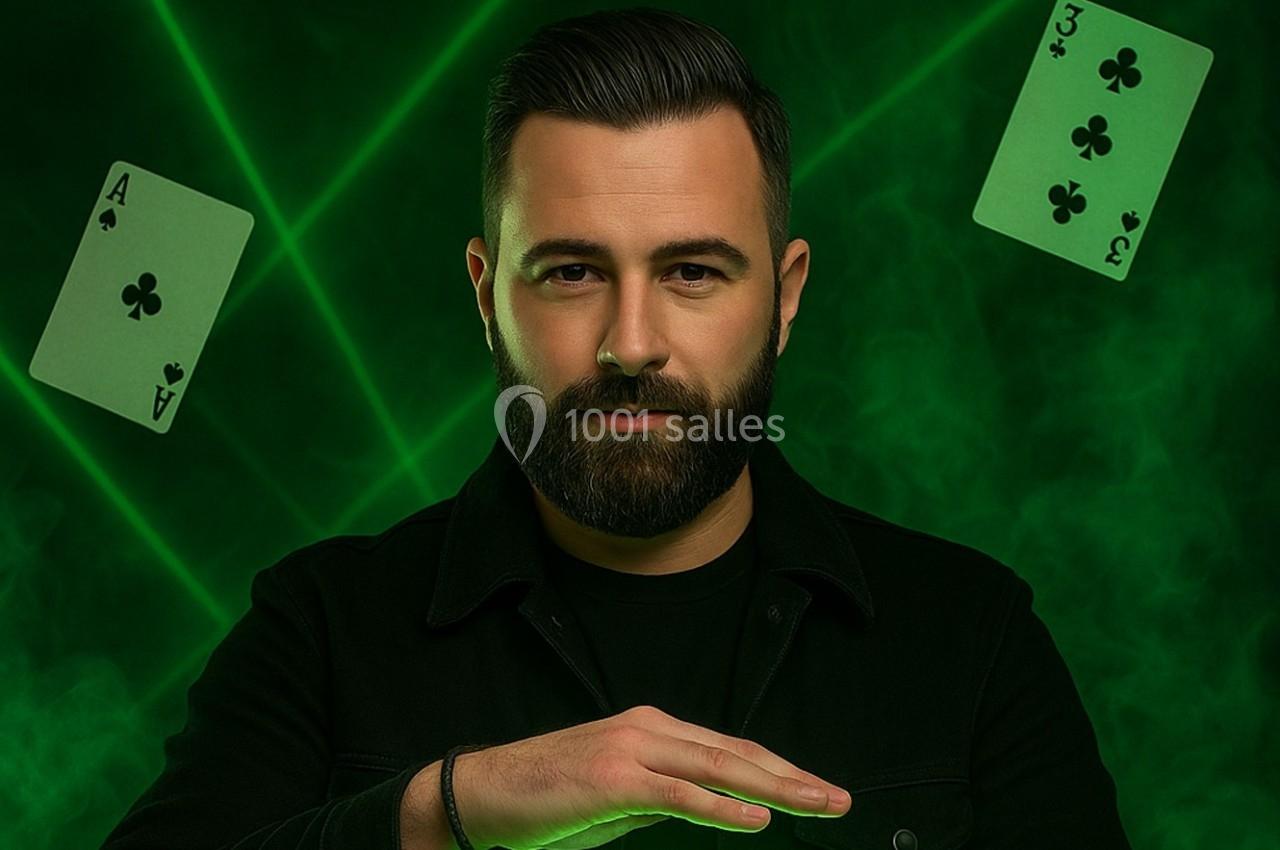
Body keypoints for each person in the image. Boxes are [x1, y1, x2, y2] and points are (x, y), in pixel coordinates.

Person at [99, 7, 1133, 850]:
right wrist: (443, 810)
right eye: (571, 272)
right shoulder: (319, 630)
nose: (628, 342)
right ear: (484, 294)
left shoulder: (970, 637)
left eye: (690, 271)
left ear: (783, 295)